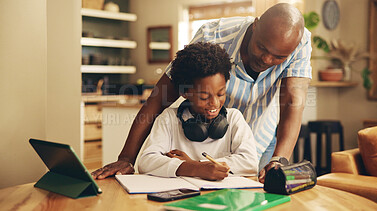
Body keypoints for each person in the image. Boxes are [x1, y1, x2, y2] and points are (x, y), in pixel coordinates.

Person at [92, 3, 311, 183]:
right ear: (255, 26)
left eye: (278, 57)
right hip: (200, 146)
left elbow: (293, 101)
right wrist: (127, 158)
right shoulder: (212, 35)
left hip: (261, 141)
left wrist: (279, 159)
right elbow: (158, 99)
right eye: (261, 48)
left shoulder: (299, 42)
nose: (267, 60)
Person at [137, 42, 258, 180]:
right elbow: (146, 162)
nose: (215, 103)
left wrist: (195, 164)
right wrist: (194, 168)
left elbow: (250, 162)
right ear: (184, 92)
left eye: (220, 94)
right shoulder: (169, 119)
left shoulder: (234, 118)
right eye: (204, 97)